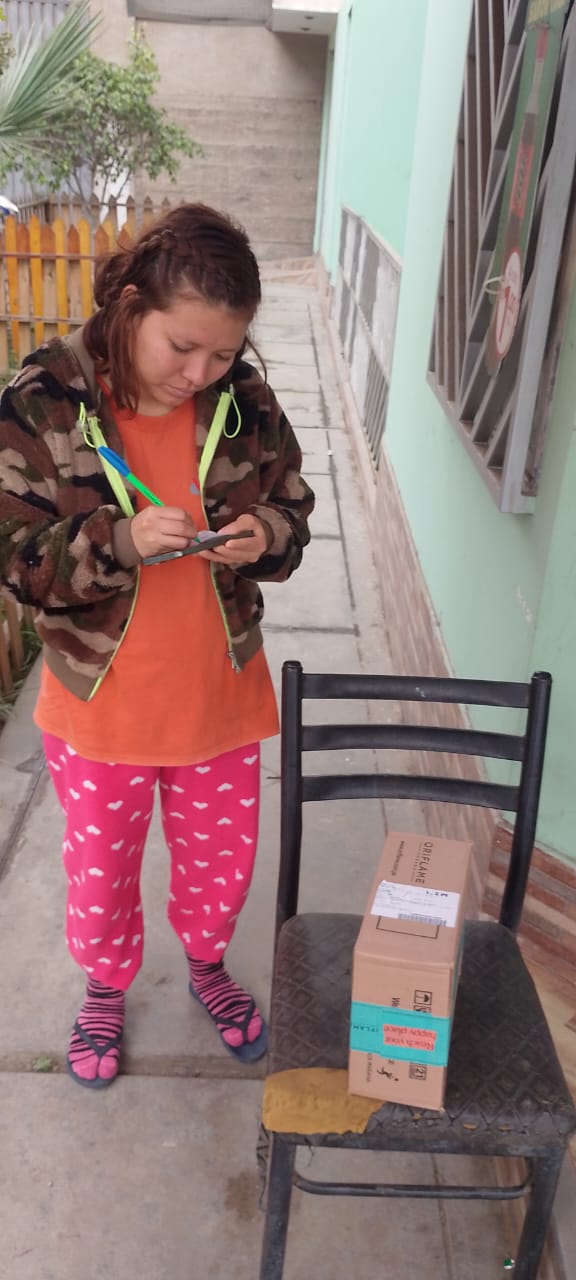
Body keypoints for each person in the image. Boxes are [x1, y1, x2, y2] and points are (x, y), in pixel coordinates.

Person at [0, 202, 314, 1089]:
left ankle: (208, 967)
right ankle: (105, 988)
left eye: (222, 353)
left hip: (218, 694)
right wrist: (118, 541)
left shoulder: (243, 401)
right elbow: (15, 560)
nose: (200, 373)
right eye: (182, 347)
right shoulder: (44, 401)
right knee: (102, 872)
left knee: (222, 868)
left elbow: (292, 507)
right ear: (133, 305)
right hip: (101, 705)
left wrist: (266, 533)